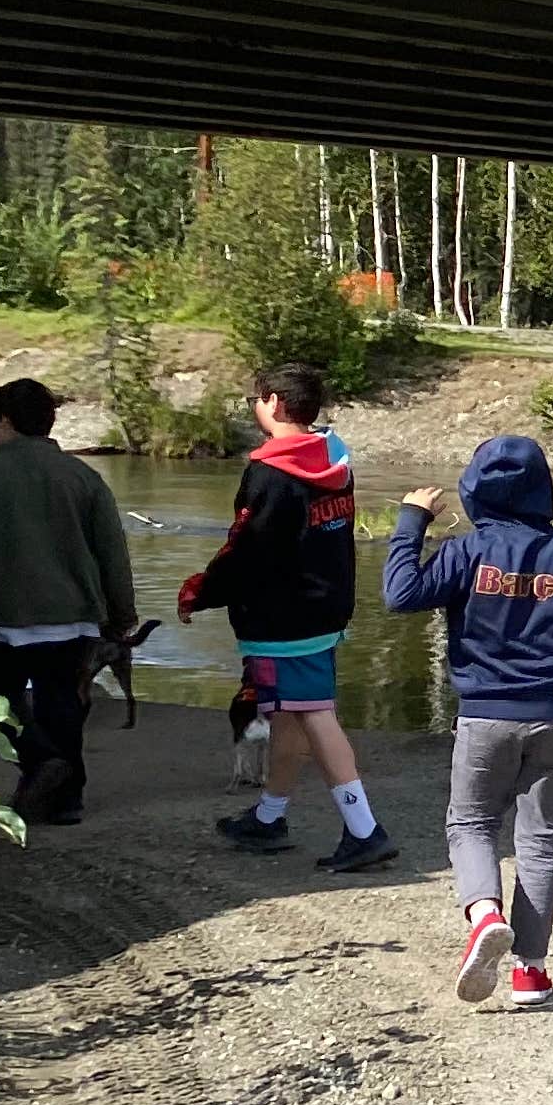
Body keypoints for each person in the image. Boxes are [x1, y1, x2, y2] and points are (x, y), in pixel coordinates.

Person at [379, 433, 553, 1009]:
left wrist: (412, 521)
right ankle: (530, 973)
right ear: (544, 489)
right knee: (541, 843)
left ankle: (485, 916)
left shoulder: (466, 552)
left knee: (471, 823)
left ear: (474, 489)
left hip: (485, 718)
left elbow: (399, 594)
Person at [180, 360, 392, 872]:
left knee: (314, 714)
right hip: (327, 607)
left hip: (282, 619)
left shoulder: (269, 473)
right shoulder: (335, 458)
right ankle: (269, 816)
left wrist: (202, 591)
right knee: (290, 712)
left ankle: (364, 830)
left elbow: (246, 547)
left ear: (273, 403)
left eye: (256, 398)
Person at [0, 377, 134, 826]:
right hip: (72, 614)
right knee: (61, 703)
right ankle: (66, 800)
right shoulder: (82, 476)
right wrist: (121, 613)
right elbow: (112, 552)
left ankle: (40, 760)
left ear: (5, 421)